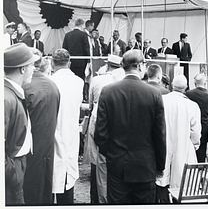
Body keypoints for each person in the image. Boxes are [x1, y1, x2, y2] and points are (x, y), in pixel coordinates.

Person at [94, 49, 166, 204]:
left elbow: (100, 133)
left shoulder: (108, 92)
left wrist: (112, 154)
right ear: (140, 66)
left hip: (117, 163)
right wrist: (160, 165)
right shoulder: (154, 94)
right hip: (145, 165)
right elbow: (159, 134)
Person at [84, 54, 124, 204]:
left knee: (98, 162)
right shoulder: (121, 80)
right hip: (117, 123)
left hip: (98, 120)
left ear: (107, 66)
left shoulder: (97, 80)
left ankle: (98, 200)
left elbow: (90, 105)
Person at [23, 49, 60, 205]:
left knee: (29, 192)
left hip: (29, 151)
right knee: (45, 190)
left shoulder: (25, 87)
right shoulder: (53, 86)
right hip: (47, 149)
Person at [156, 75, 201, 203]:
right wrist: (194, 145)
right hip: (184, 147)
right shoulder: (192, 106)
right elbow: (196, 132)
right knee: (182, 181)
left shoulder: (162, 100)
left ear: (171, 86)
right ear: (186, 88)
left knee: (162, 180)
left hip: (163, 146)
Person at [4, 43, 39, 205]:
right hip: (9, 175)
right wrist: (13, 173)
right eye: (32, 65)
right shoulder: (6, 98)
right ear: (23, 69)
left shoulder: (11, 93)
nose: (34, 69)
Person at [50, 49, 84, 205]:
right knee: (66, 179)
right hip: (70, 131)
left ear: (52, 62)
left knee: (52, 177)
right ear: (69, 63)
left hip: (54, 131)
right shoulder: (78, 82)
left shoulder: (50, 81)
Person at [186, 73, 208, 162]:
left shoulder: (188, 94)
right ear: (205, 82)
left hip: (189, 125)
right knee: (202, 150)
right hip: (204, 126)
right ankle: (200, 169)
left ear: (194, 82)